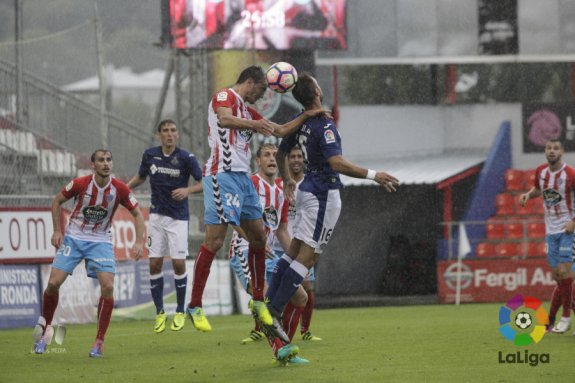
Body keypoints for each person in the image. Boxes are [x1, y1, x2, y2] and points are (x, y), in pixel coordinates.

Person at [186, 65, 327, 345]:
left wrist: (308, 114)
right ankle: (195, 304)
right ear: (250, 83)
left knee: (259, 237)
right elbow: (225, 120)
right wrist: (254, 125)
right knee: (214, 241)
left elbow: (279, 129)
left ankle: (260, 301)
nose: (261, 97)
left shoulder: (248, 110)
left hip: (241, 178)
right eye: (261, 91)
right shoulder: (224, 97)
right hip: (221, 175)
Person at [263, 73, 400, 361]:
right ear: (316, 91)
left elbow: (282, 150)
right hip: (323, 193)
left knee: (294, 252)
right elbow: (335, 162)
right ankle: (274, 311)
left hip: (306, 190)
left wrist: (288, 179)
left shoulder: (302, 121)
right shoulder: (323, 124)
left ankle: (269, 306)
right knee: (308, 258)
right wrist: (374, 175)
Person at [32, 149, 145, 357]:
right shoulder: (80, 184)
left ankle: (99, 341)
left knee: (108, 286)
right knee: (53, 284)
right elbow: (56, 201)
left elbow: (137, 214)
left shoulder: (119, 188)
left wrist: (139, 241)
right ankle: (45, 329)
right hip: (74, 238)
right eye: (101, 160)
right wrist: (58, 230)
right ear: (93, 165)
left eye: (109, 160)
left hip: (100, 241)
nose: (106, 164)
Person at [228, 143, 309, 364]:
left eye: (275, 155)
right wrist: (253, 240)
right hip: (244, 251)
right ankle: (280, 350)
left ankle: (285, 347)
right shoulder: (250, 184)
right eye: (266, 155)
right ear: (258, 161)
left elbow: (282, 230)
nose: (272, 158)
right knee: (264, 300)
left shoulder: (283, 188)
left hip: (270, 254)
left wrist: (297, 258)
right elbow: (231, 217)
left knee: (301, 297)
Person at [127, 120, 203, 333]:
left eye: (173, 131)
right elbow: (141, 176)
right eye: (166, 131)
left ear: (177, 135)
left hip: (178, 218)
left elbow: (203, 182)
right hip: (157, 217)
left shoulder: (186, 158)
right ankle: (160, 313)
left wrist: (188, 191)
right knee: (154, 264)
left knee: (178, 263)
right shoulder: (150, 155)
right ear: (159, 134)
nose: (170, 134)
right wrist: (124, 188)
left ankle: (179, 310)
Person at [519, 139, 574, 333]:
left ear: (562, 152)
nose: (552, 151)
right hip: (550, 233)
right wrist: (528, 194)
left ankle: (565, 318)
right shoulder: (540, 172)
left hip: (569, 231)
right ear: (545, 151)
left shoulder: (570, 174)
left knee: (566, 274)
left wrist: (573, 222)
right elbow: (537, 190)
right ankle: (552, 320)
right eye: (549, 148)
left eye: (556, 148)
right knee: (559, 277)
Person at [274, 145, 322, 342]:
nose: (295, 160)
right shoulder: (279, 185)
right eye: (291, 156)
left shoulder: (310, 184)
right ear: (285, 161)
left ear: (303, 159)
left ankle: (304, 330)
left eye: (298, 156)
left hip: (304, 243)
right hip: (282, 246)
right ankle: (274, 331)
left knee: (307, 288)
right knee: (287, 292)